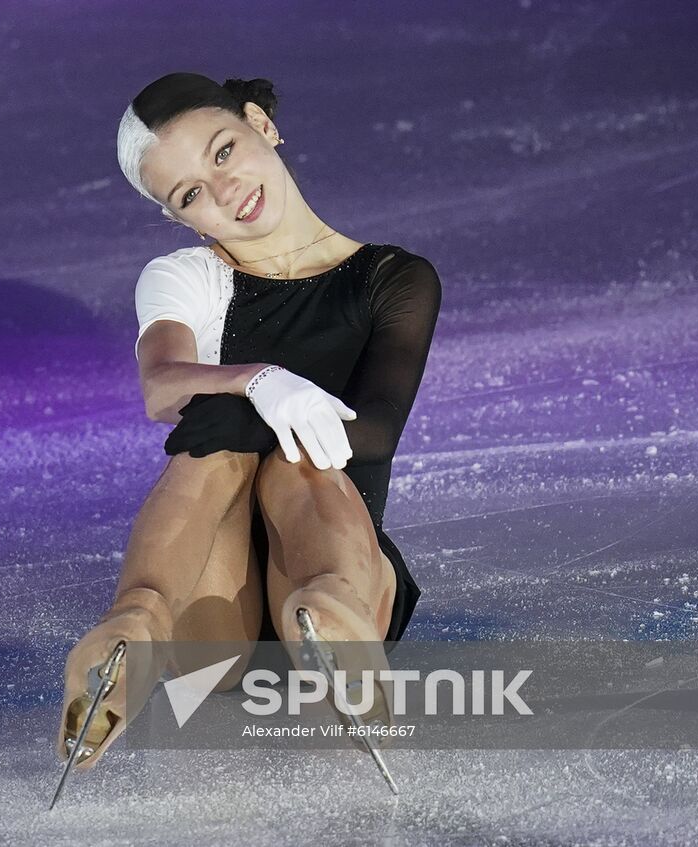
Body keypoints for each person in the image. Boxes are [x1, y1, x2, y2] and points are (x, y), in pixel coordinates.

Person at [56, 72, 442, 771]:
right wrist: (259, 381)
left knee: (296, 456)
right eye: (190, 194)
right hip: (214, 619)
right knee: (224, 437)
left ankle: (324, 610)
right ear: (180, 219)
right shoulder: (188, 278)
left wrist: (270, 410)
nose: (222, 191)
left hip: (341, 560)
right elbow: (161, 384)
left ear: (261, 124)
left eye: (223, 151)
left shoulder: (392, 278)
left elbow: (379, 428)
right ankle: (135, 624)